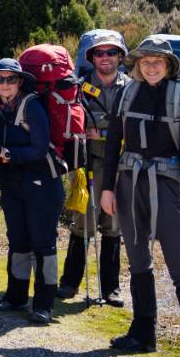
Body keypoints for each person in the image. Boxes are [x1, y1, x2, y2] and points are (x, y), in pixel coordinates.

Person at [100, 36, 180, 357]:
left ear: (168, 67)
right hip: (128, 184)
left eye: (158, 62)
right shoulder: (125, 94)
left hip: (166, 186)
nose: (151, 66)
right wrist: (107, 189)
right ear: (137, 65)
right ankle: (142, 334)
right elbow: (112, 147)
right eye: (146, 61)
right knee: (138, 258)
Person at [0, 59, 65, 324]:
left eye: (11, 79)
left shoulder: (33, 107)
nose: (5, 84)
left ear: (20, 82)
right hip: (12, 183)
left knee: (43, 243)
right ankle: (15, 297)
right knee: (17, 240)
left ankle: (44, 304)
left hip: (43, 183)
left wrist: (4, 152)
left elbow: (39, 149)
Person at [58, 31, 130, 305]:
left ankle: (111, 289)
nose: (106, 58)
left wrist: (99, 131)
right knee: (83, 223)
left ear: (120, 56)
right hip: (89, 165)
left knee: (114, 225)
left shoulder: (131, 87)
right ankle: (69, 284)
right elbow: (74, 125)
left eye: (111, 52)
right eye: (100, 53)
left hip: (121, 167)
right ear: (91, 58)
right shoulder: (79, 87)